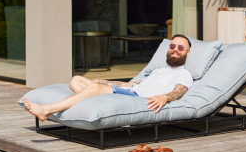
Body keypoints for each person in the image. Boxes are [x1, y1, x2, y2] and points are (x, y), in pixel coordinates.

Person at [22, 34, 193, 122]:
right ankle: (91, 97)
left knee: (95, 88)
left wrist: (165, 97)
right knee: (76, 80)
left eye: (180, 48)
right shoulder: (159, 70)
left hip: (138, 99)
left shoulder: (184, 74)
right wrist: (103, 82)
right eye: (173, 46)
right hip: (131, 91)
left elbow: (180, 91)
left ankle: (47, 110)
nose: (175, 49)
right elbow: (132, 84)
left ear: (187, 52)